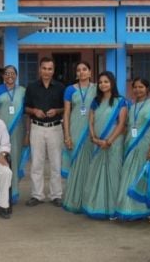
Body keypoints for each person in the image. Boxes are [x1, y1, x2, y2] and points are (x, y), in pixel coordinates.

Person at [82, 71, 127, 220]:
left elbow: (121, 124)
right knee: (97, 174)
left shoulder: (120, 101)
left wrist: (109, 141)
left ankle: (114, 208)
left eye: (106, 82)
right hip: (98, 143)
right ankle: (97, 206)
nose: (103, 84)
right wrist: (94, 138)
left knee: (113, 174)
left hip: (114, 143)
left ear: (112, 83)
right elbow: (91, 121)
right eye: (100, 82)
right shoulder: (96, 101)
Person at [115, 78, 150, 223]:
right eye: (135, 87)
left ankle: (147, 211)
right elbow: (127, 127)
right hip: (131, 146)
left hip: (146, 146)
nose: (137, 90)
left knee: (143, 178)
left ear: (147, 88)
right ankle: (127, 209)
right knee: (128, 175)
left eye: (141, 87)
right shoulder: (131, 106)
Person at [24, 57, 65, 207]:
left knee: (55, 163)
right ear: (39, 69)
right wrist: (34, 110)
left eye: (50, 69)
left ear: (53, 70)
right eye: (44, 68)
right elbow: (26, 108)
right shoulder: (31, 87)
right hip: (37, 127)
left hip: (55, 128)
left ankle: (56, 195)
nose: (47, 71)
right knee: (37, 163)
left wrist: (57, 110)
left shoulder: (61, 87)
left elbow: (66, 108)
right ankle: (37, 195)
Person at [61, 61, 96, 213]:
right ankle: (74, 200)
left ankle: (88, 200)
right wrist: (67, 135)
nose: (81, 72)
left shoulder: (97, 88)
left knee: (90, 167)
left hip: (92, 132)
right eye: (79, 70)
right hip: (75, 131)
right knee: (76, 166)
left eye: (84, 69)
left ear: (90, 72)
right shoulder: (70, 90)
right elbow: (67, 113)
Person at [0, 65, 26, 204]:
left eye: (12, 73)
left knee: (15, 160)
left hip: (18, 130)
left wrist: (27, 133)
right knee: (0, 160)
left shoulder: (22, 91)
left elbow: (26, 114)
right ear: (3, 76)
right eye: (7, 73)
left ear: (16, 76)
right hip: (0, 132)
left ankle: (14, 192)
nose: (9, 76)